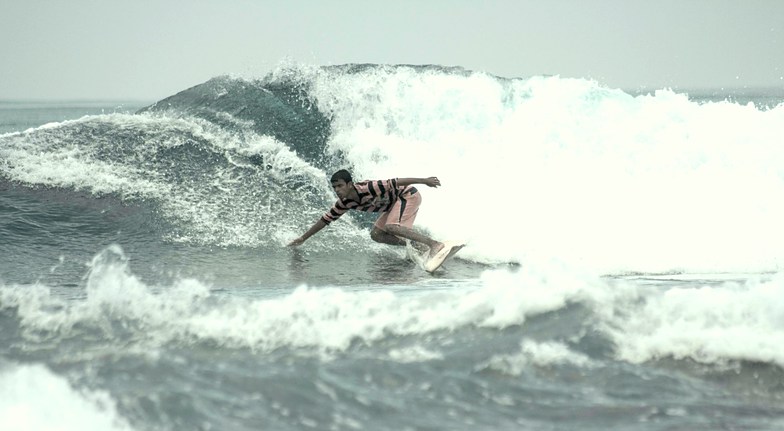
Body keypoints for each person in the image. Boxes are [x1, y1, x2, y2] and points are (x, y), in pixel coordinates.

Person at [288, 169, 445, 257]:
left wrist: (425, 180)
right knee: (376, 234)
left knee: (391, 227)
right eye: (334, 187)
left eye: (340, 186)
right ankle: (418, 246)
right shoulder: (345, 203)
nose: (337, 190)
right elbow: (325, 220)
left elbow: (396, 181)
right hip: (393, 205)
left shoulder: (369, 187)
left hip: (407, 195)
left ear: (350, 184)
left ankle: (434, 244)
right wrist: (303, 238)